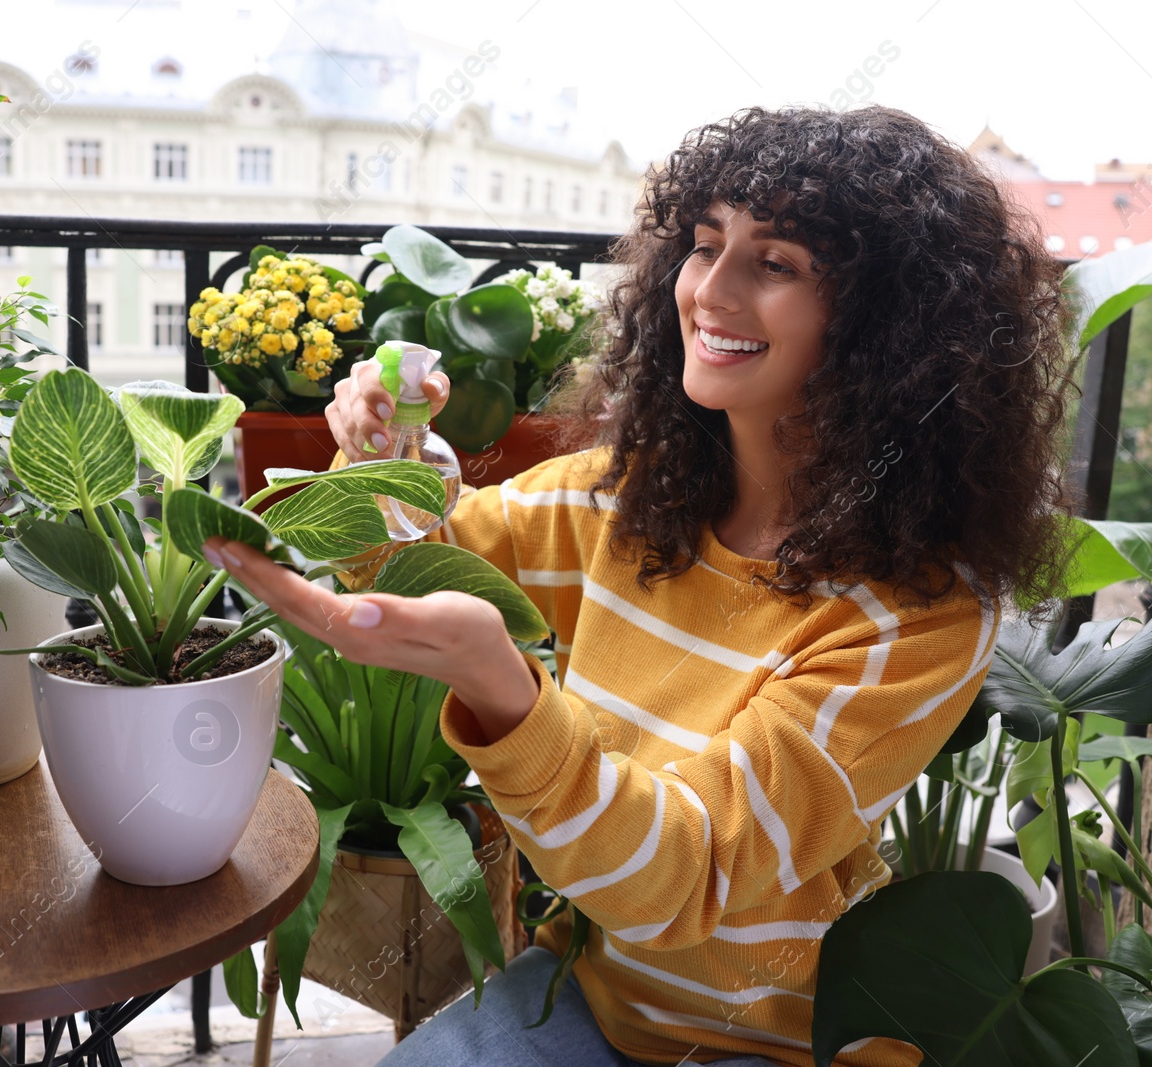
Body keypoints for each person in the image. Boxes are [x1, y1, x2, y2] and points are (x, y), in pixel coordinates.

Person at [203, 104, 1078, 1067]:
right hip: (591, 998)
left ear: (892, 327)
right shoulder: (627, 495)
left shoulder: (920, 611)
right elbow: (415, 560)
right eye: (706, 246)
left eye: (775, 263)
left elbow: (678, 873)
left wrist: (505, 691)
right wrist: (383, 452)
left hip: (787, 1042)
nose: (711, 291)